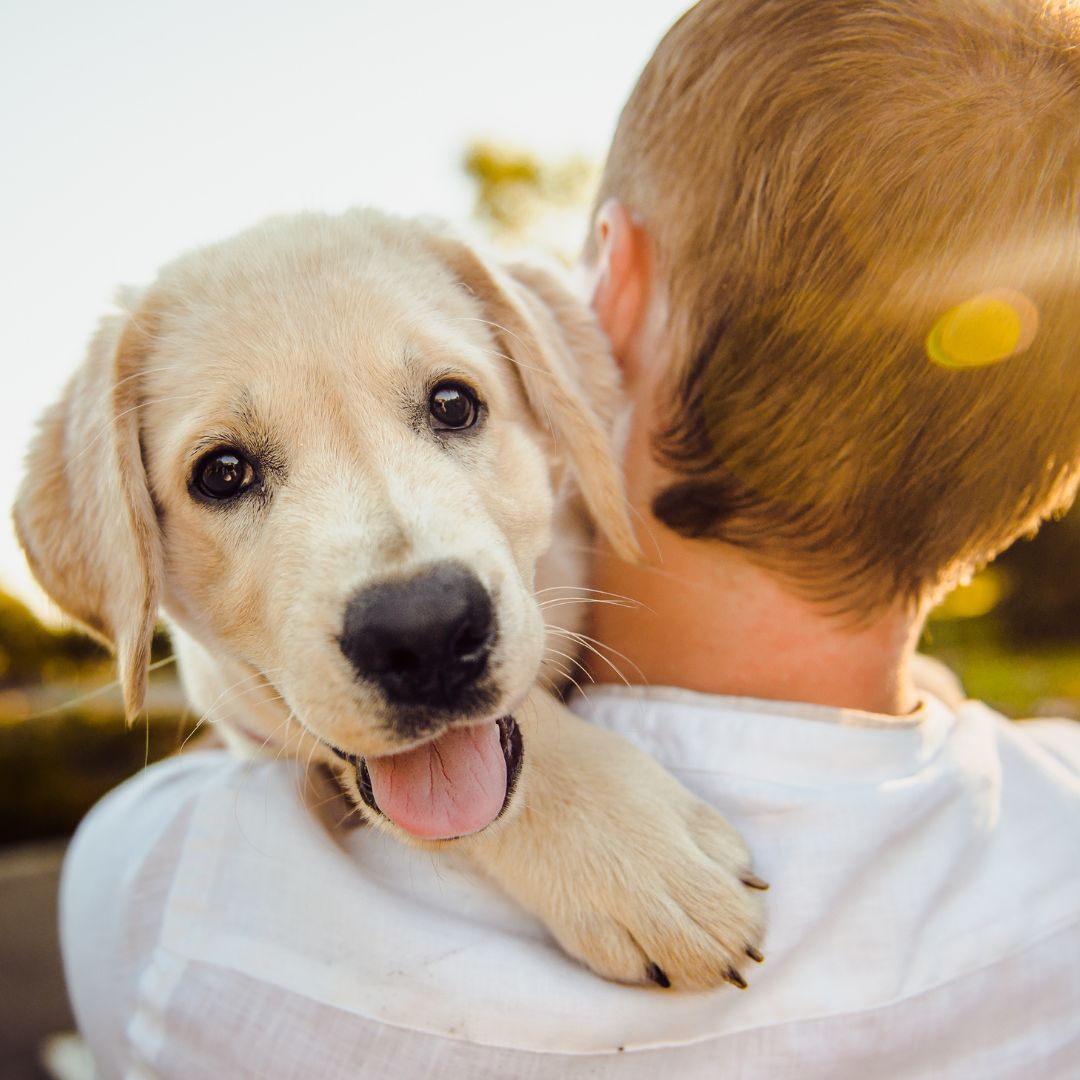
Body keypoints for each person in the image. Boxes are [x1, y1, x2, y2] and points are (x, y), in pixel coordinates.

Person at [60, 0, 1080, 1076]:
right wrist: (534, 781)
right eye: (228, 473)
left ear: (609, 304)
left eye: (451, 408)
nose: (407, 595)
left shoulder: (167, 897)